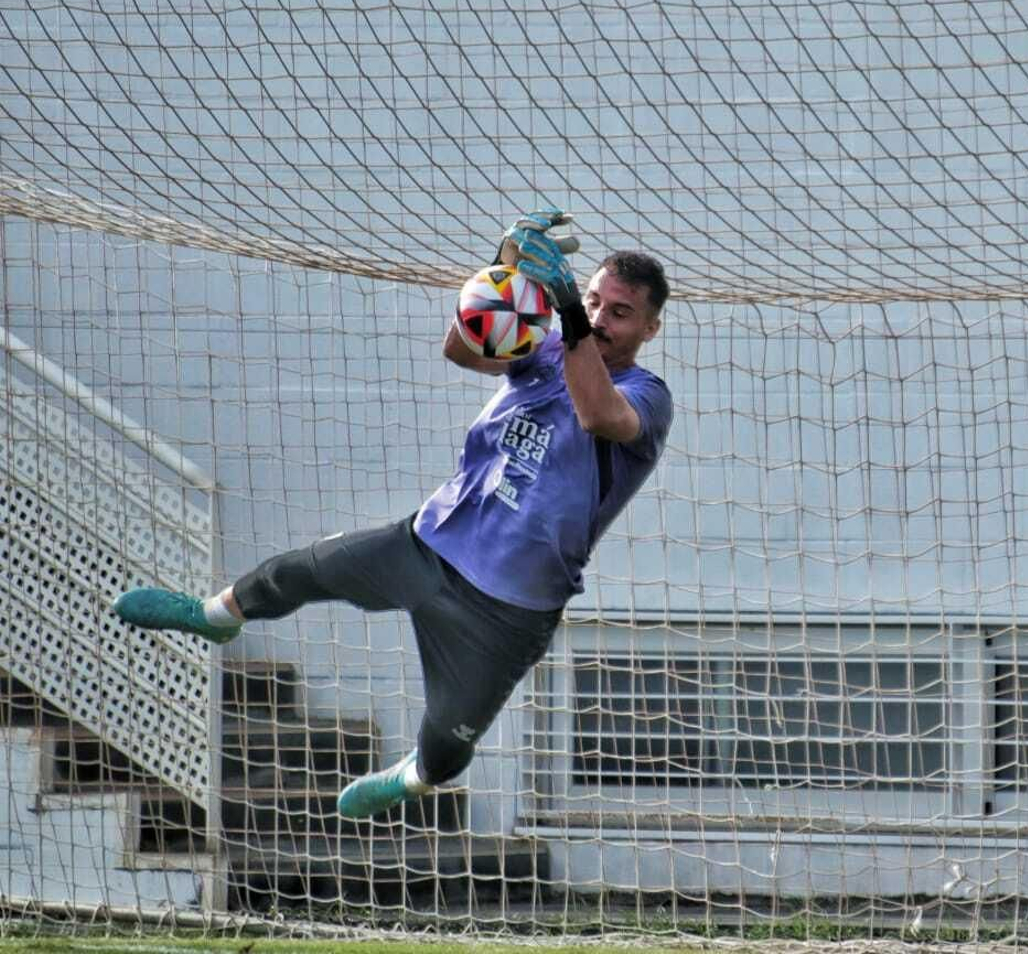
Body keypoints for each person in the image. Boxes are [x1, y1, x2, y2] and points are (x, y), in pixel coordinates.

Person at [112, 208, 673, 819]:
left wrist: (567, 311)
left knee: (446, 743)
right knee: (306, 568)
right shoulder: (542, 348)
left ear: (651, 328)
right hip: (433, 543)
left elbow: (597, 414)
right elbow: (461, 348)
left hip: (510, 607)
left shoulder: (647, 397)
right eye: (592, 300)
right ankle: (213, 615)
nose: (599, 318)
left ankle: (412, 780)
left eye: (618, 312)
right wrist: (504, 270)